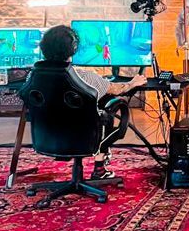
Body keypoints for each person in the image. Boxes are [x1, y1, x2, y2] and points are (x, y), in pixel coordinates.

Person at [38, 25, 147, 179]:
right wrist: (133, 82)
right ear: (73, 48)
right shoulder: (82, 76)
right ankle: (99, 167)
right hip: (83, 137)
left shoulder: (34, 77)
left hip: (46, 138)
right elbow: (115, 89)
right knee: (109, 101)